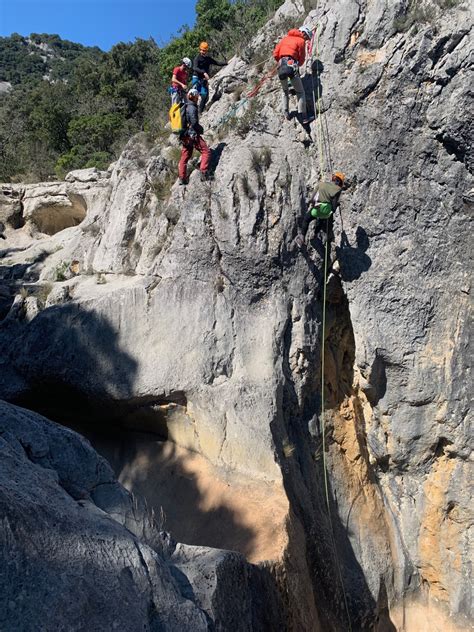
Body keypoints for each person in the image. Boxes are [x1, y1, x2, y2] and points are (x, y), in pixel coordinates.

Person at [295, 172, 345, 249]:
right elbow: (334, 207)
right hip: (327, 211)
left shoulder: (321, 184)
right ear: (340, 183)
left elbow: (312, 198)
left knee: (306, 219)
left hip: (318, 208)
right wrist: (334, 207)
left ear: (333, 178)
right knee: (321, 220)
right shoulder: (338, 190)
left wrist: (312, 203)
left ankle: (302, 237)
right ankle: (315, 234)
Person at [273, 26, 312, 124]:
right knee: (300, 92)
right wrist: (297, 63)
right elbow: (302, 58)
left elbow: (275, 54)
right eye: (306, 37)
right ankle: (303, 117)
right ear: (303, 33)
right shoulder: (301, 41)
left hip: (281, 66)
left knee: (285, 91)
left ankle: (286, 112)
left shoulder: (285, 39)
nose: (306, 39)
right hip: (291, 65)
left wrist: (282, 61)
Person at [178, 88, 212, 185]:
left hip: (184, 136)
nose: (198, 98)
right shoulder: (192, 107)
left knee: (185, 157)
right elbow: (194, 123)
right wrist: (201, 129)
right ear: (195, 97)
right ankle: (204, 173)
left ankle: (182, 178)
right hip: (192, 135)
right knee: (206, 151)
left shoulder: (184, 106)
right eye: (197, 97)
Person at [192, 42, 227, 113]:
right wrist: (204, 72)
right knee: (194, 97)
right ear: (199, 50)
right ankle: (192, 112)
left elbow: (217, 63)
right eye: (201, 50)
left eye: (204, 50)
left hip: (203, 80)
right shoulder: (197, 58)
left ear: (206, 51)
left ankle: (200, 112)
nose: (203, 52)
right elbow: (195, 68)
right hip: (196, 78)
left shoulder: (208, 59)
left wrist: (226, 63)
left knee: (205, 96)